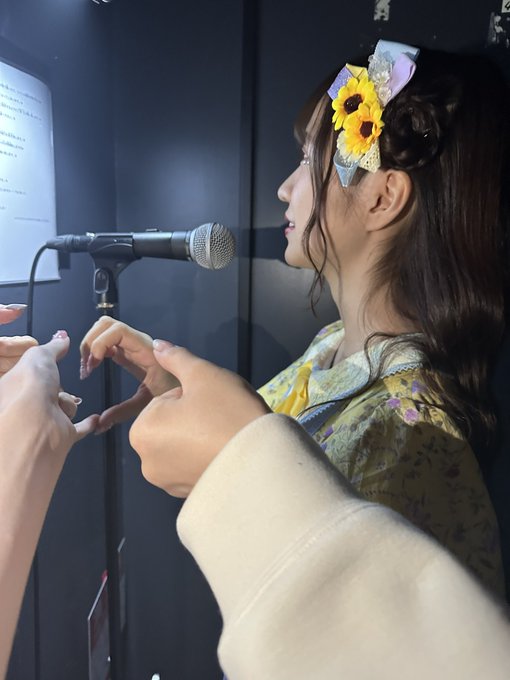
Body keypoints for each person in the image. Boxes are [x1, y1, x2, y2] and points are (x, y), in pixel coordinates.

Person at [80, 40, 510, 596]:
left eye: (308, 160)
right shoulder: (335, 345)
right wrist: (170, 385)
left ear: (383, 198)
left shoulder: (409, 437)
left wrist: (232, 466)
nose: (285, 188)